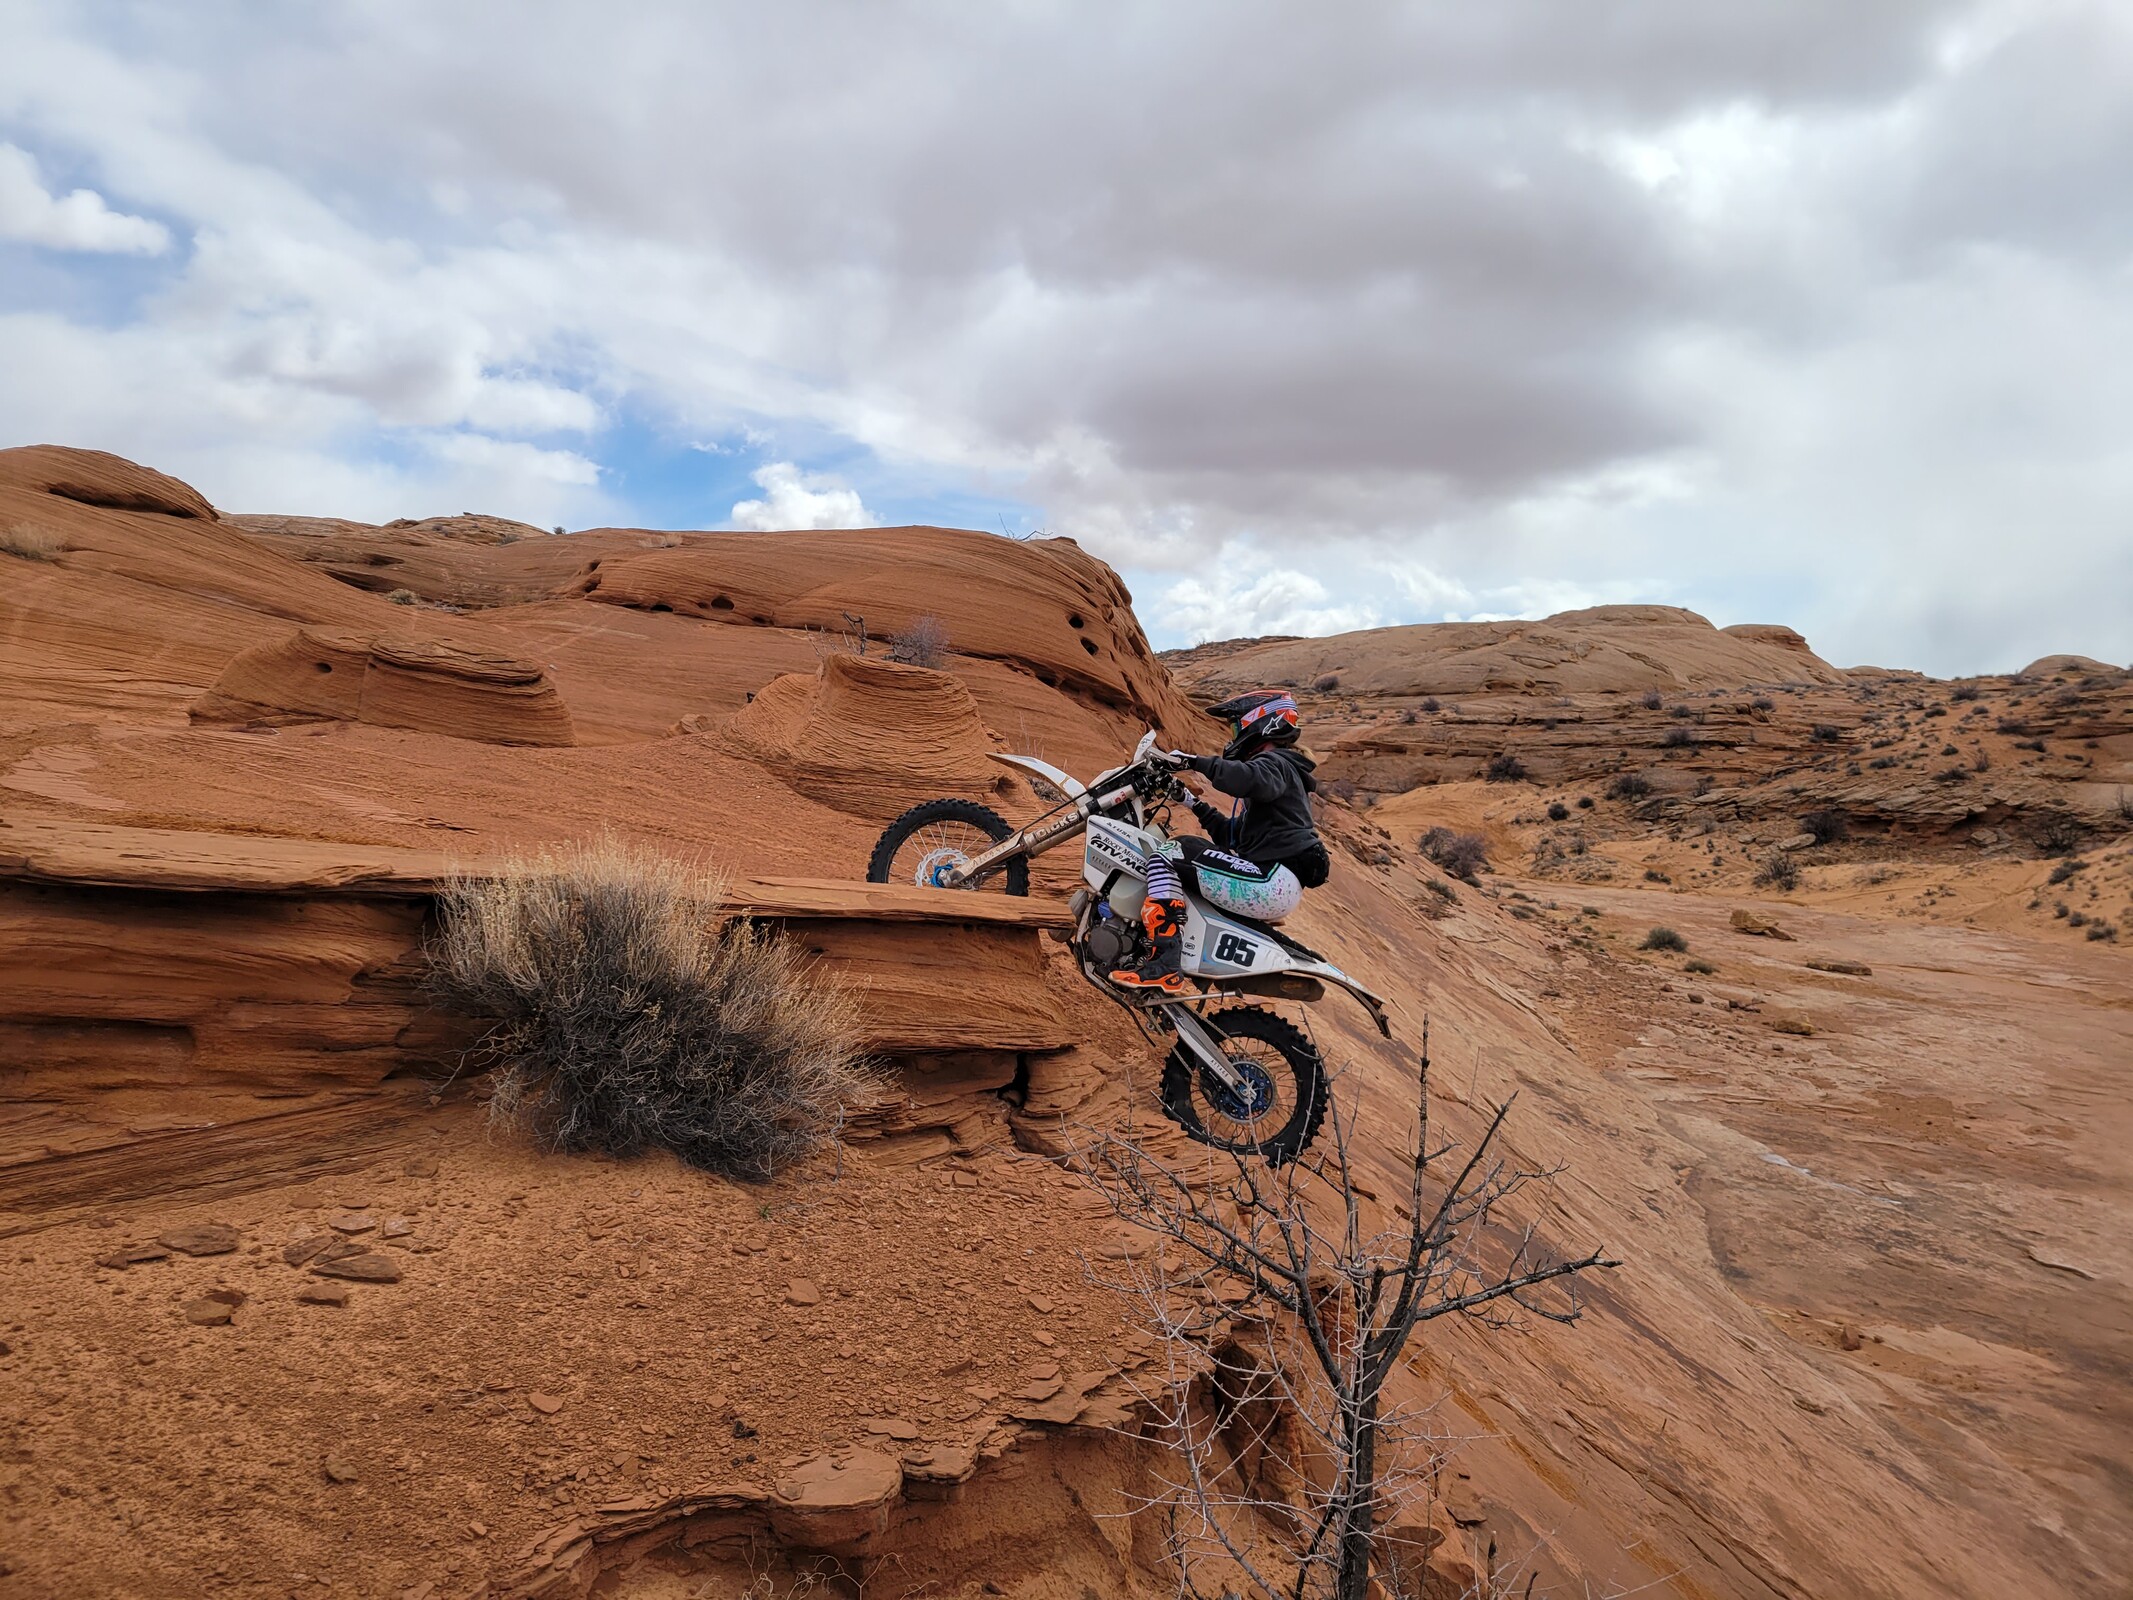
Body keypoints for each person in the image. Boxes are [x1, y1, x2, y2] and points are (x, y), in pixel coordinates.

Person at [1110, 690, 1332, 995]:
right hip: (1273, 882)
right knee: (1191, 852)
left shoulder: (1276, 764)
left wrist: (1192, 761)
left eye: (1236, 727)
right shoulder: (1279, 778)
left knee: (1171, 851)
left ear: (1260, 723)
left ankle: (1164, 962)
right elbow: (1231, 836)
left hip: (1269, 882)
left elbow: (1245, 778)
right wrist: (1188, 801)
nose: (1233, 735)